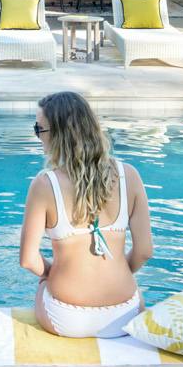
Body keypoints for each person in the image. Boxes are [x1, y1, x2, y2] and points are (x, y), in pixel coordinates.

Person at [20, 91, 152, 338]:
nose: (38, 138)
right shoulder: (129, 175)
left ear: (59, 135)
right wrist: (118, 272)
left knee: (43, 286)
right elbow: (144, 250)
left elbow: (28, 260)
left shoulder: (44, 184)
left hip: (67, 316)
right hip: (125, 313)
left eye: (39, 130)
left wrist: (50, 275)